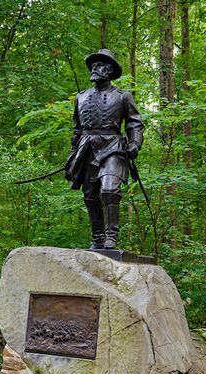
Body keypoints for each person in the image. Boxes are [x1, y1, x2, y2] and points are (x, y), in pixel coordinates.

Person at [65, 49, 144, 250]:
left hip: (113, 147)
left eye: (99, 66)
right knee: (90, 195)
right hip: (87, 148)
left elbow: (135, 124)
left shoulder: (123, 96)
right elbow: (76, 129)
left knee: (109, 189)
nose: (94, 68)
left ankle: (111, 236)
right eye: (93, 65)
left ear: (108, 70)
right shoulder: (81, 98)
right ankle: (97, 238)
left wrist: (135, 144)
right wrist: (72, 154)